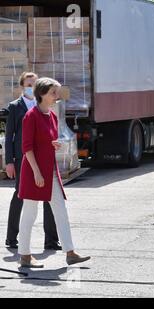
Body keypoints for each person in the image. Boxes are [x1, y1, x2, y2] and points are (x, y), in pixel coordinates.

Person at [18, 77, 90, 268]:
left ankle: (70, 252)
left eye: (56, 92)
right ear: (42, 94)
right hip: (35, 172)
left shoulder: (51, 115)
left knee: (61, 211)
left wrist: (53, 144)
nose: (57, 96)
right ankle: (24, 255)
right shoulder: (30, 116)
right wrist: (36, 173)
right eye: (53, 92)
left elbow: (44, 140)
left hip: (51, 170)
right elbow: (27, 148)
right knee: (30, 213)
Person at [4, 72, 60, 250]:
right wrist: (9, 161)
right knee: (20, 196)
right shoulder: (15, 107)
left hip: (43, 157)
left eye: (34, 83)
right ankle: (11, 238)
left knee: (49, 196)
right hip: (23, 158)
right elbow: (9, 136)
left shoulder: (44, 106)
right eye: (28, 84)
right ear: (22, 86)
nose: (32, 86)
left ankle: (51, 240)